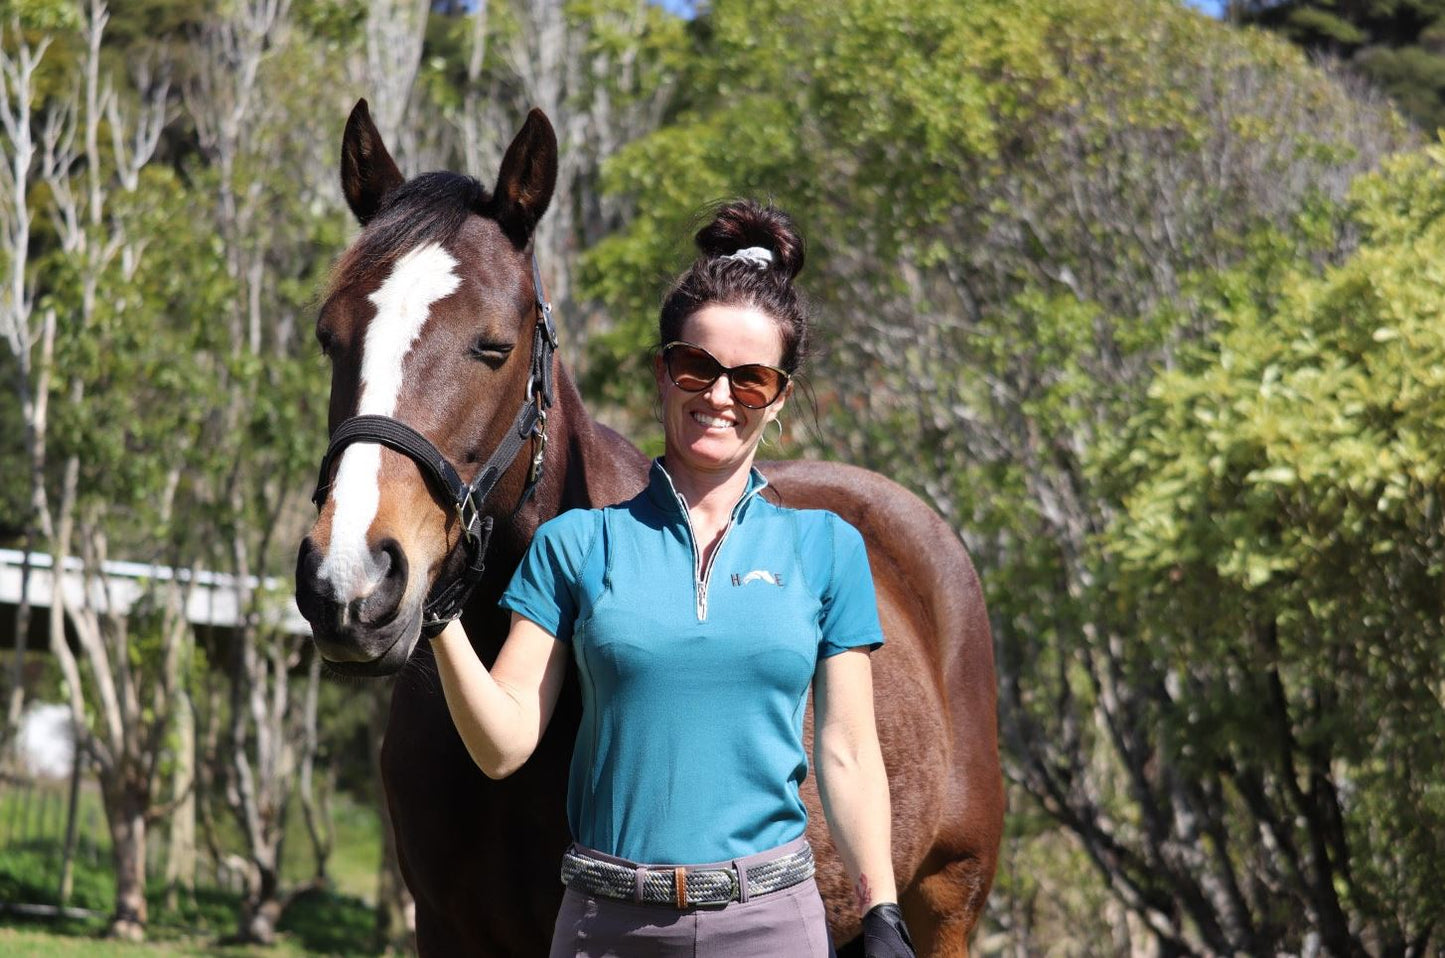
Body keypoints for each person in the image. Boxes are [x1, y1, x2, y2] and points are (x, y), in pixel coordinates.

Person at [429, 200, 917, 958]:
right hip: (606, 924)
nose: (719, 396)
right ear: (663, 370)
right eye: (697, 366)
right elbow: (502, 744)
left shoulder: (826, 548)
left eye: (750, 380)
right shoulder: (576, 545)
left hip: (770, 925)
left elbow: (848, 753)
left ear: (780, 395)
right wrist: (440, 624)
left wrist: (880, 907)